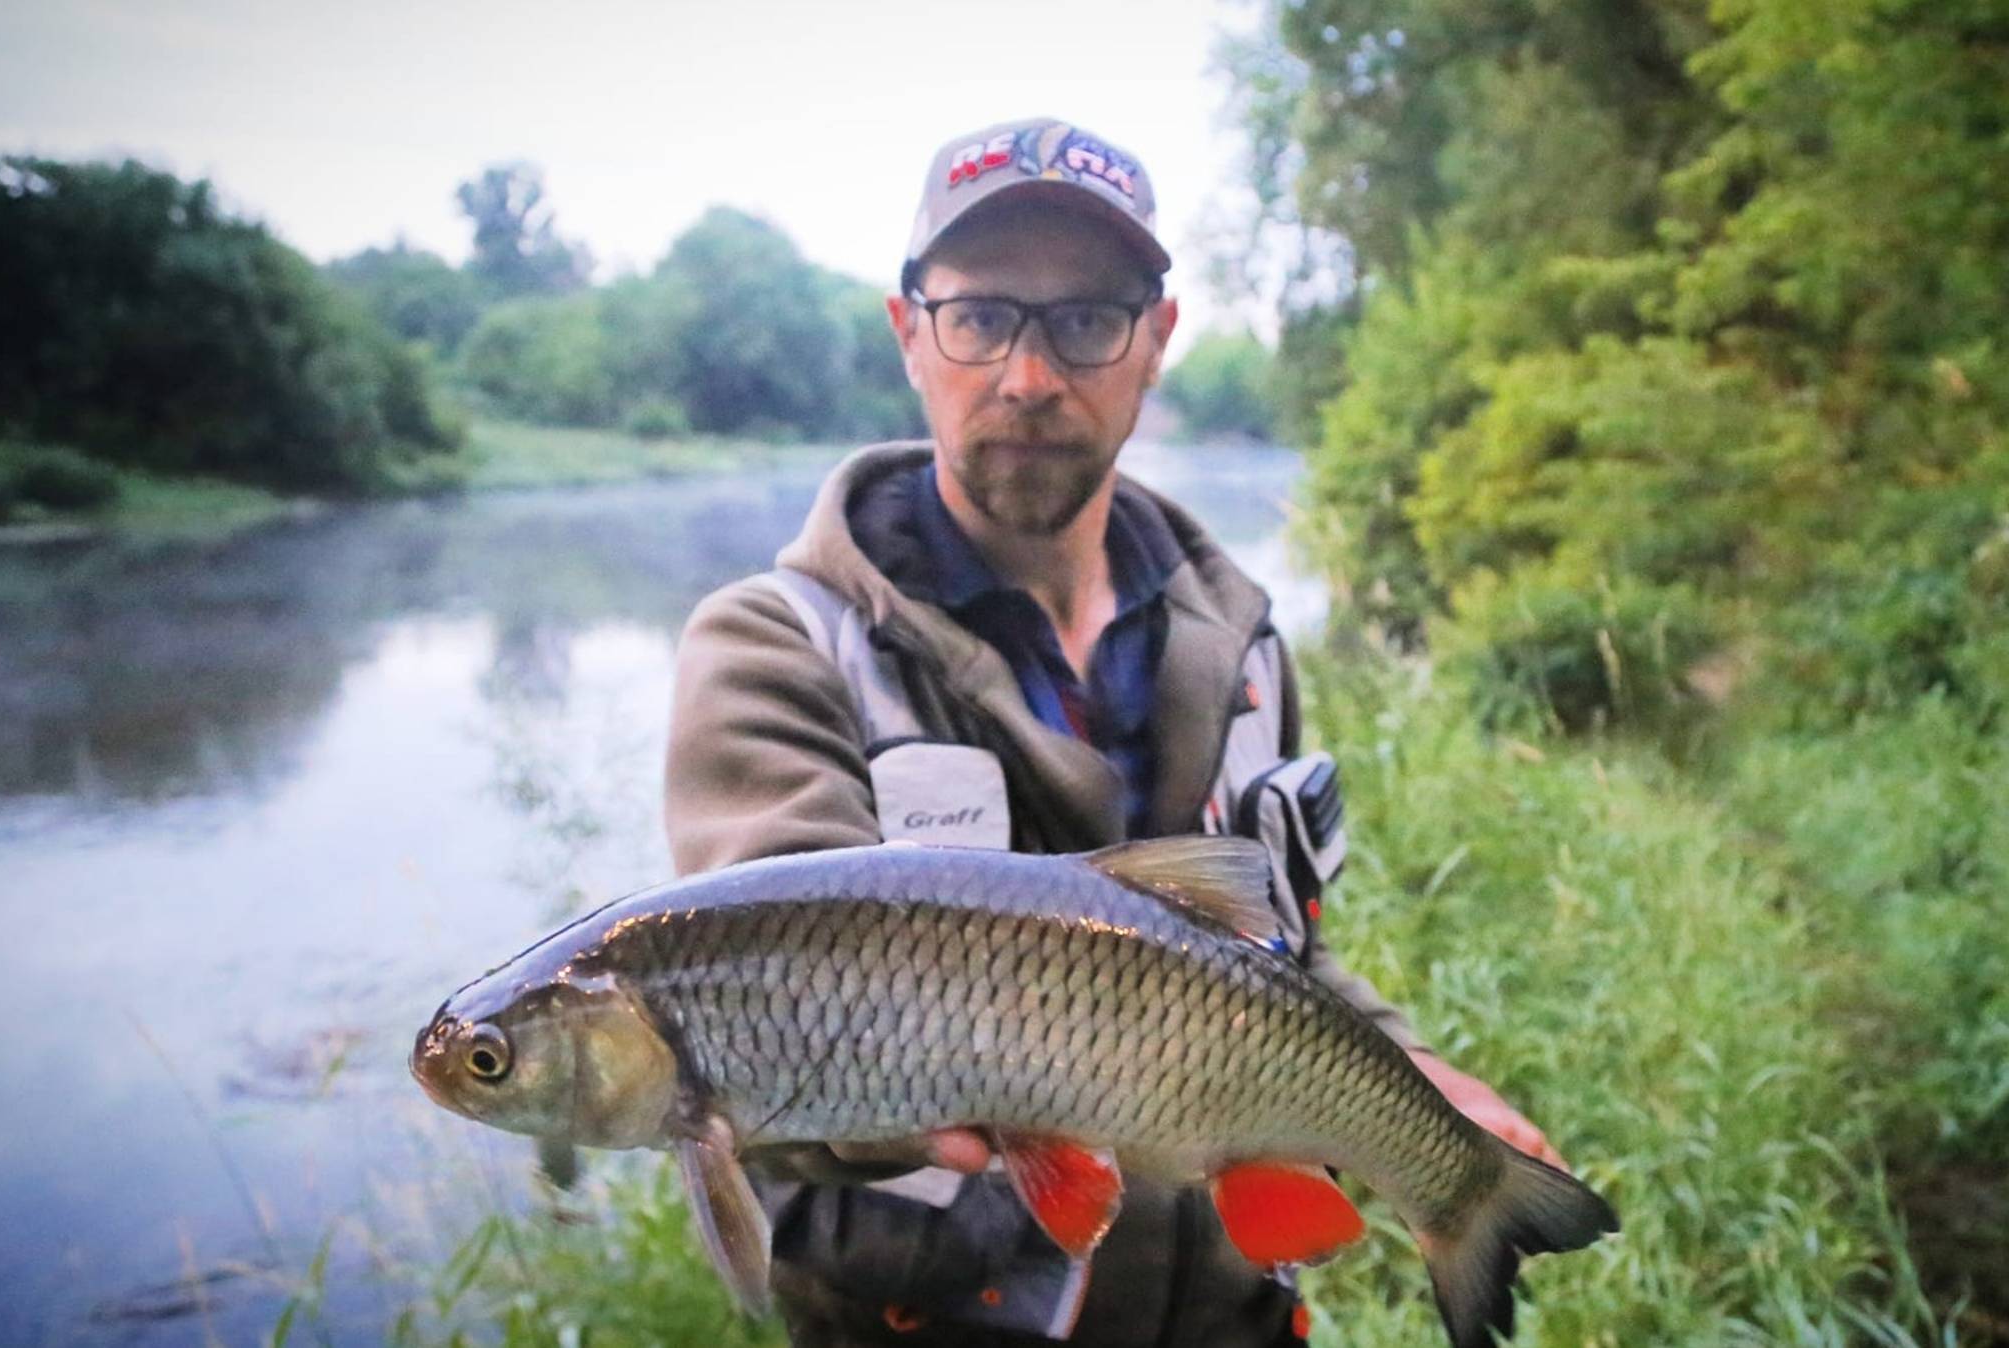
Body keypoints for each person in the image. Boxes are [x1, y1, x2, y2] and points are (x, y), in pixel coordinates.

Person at [663, 116, 1561, 1348]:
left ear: (1156, 342)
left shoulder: (1241, 642)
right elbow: (757, 1018)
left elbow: (1275, 953)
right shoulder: (776, 646)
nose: (1029, 376)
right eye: (981, 317)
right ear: (909, 334)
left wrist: (1413, 1084)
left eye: (1086, 319)